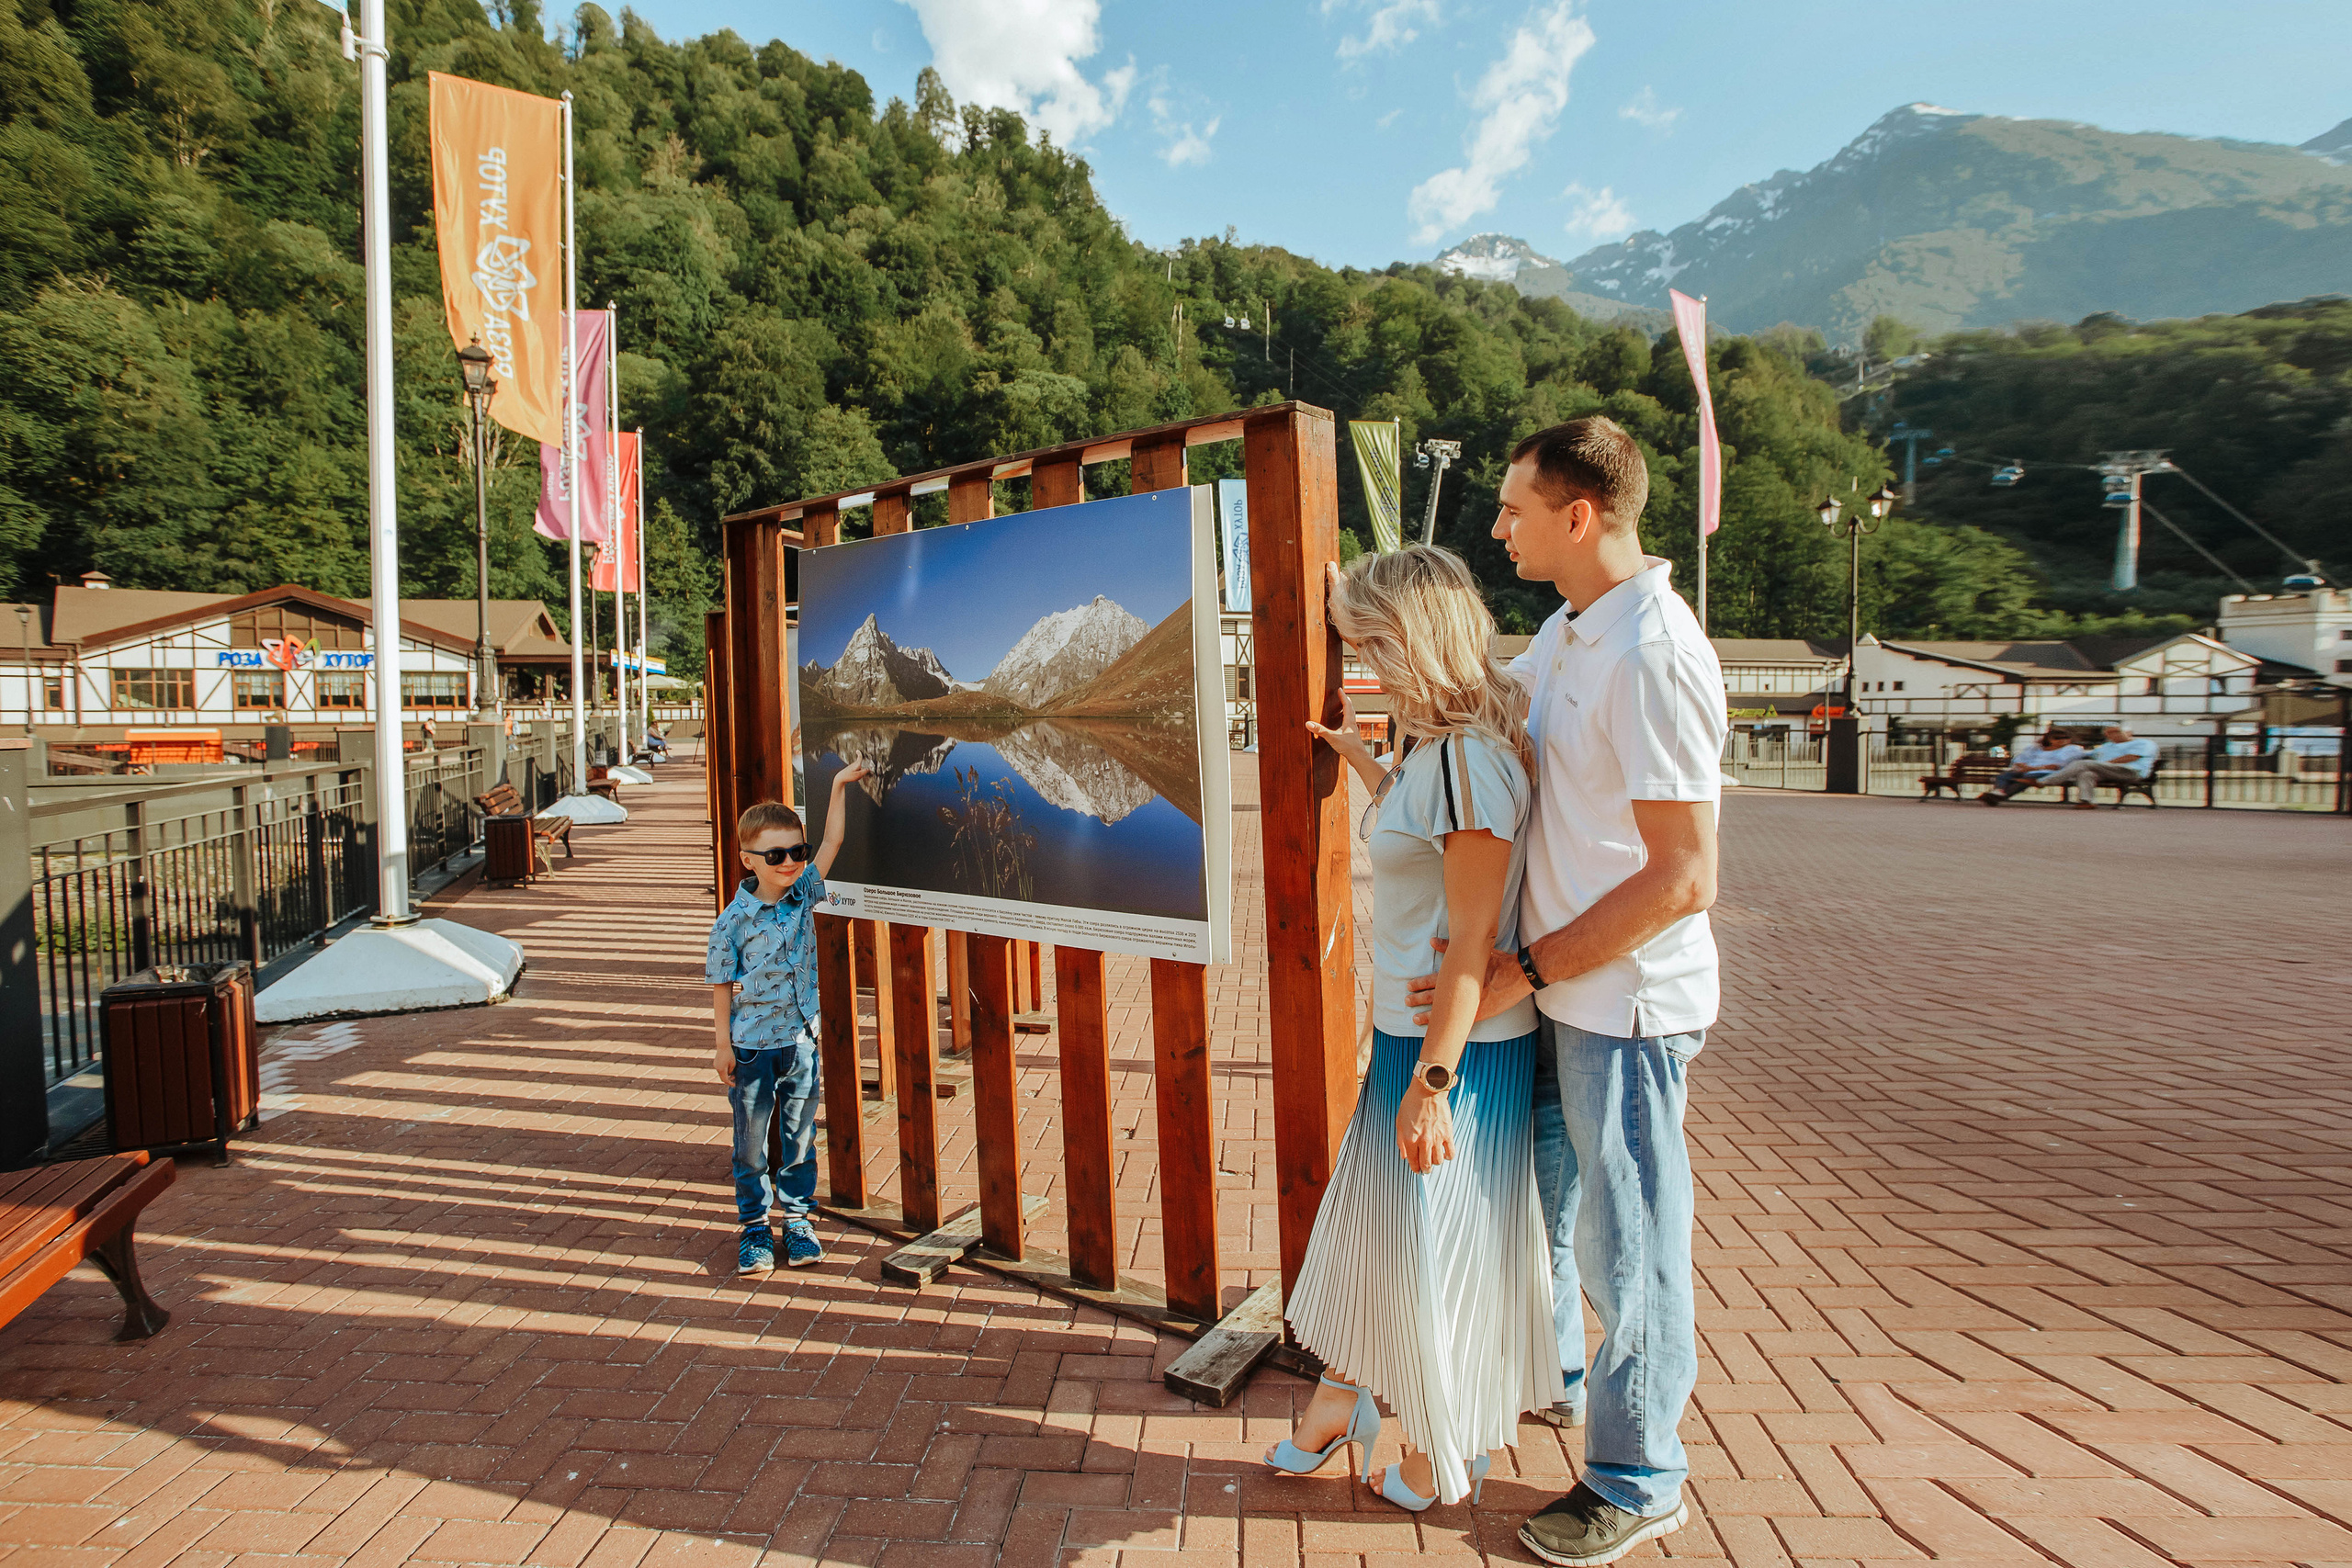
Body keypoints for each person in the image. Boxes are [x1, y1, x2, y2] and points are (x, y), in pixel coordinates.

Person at [1408, 416, 1723, 1566]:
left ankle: (1640, 1476)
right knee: (1558, 1213)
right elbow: (1497, 725)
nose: (1497, 526)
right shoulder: (1572, 626)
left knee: (1626, 1241)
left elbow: (1686, 876)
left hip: (1624, 1003)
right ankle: (1569, 1381)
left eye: (1512, 509)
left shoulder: (1654, 653)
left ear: (1579, 515)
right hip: (1559, 990)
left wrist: (1522, 966)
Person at [1271, 545, 1561, 1512]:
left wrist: (1432, 1088)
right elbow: (1427, 845)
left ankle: (1441, 1449)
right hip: (1428, 1036)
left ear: (1407, 640)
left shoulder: (1470, 759)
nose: (1362, 665)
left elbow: (1474, 931)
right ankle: (1341, 1402)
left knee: (1437, 1251)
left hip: (1453, 1049)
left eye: (1367, 644)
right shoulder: (1449, 752)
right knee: (1385, 1236)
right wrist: (1363, 761)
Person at [707, 763, 868, 1275]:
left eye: (796, 852)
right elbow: (721, 985)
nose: (791, 862)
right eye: (776, 855)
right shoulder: (731, 922)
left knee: (799, 1135)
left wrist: (838, 786)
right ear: (748, 860)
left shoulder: (803, 893)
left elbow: (832, 843)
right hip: (752, 1046)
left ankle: (797, 1219)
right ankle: (754, 1227)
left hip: (802, 1041)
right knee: (751, 1144)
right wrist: (721, 1046)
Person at [2030, 723, 2160, 809]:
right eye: (2109, 733)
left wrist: (2102, 764)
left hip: (2131, 771)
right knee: (2086, 773)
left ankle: (2043, 782)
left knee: (2083, 765)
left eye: (2117, 732)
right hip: (2108, 771)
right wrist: (2060, 749)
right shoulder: (2107, 746)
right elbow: (2085, 755)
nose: (2113, 735)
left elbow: (2132, 757)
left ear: (2129, 733)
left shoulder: (2144, 743)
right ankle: (2087, 802)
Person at [1980, 728, 2086, 803]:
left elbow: (2058, 766)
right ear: (2049, 739)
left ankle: (1996, 797)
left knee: (2026, 779)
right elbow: (2019, 760)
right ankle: (1998, 792)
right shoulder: (2037, 750)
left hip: (2047, 773)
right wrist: (2023, 767)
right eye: (2057, 738)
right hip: (2027, 771)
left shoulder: (2072, 749)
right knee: (2006, 775)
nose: (2062, 740)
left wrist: (2032, 768)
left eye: (2065, 737)